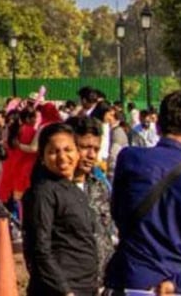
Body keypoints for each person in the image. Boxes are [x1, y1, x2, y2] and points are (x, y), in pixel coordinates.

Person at [104, 89, 181, 294]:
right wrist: (180, 283)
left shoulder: (129, 158)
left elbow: (117, 213)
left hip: (126, 279)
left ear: (158, 126)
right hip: (170, 285)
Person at [20, 122, 99, 296]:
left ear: (77, 153)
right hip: (59, 289)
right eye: (53, 152)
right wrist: (65, 290)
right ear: (42, 157)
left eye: (68, 150)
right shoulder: (43, 192)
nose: (62, 157)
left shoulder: (72, 189)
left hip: (85, 285)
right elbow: (40, 248)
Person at [64, 114, 114, 282]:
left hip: (100, 281)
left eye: (96, 149)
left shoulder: (98, 185)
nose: (92, 155)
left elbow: (106, 232)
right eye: (85, 147)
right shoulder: (51, 191)